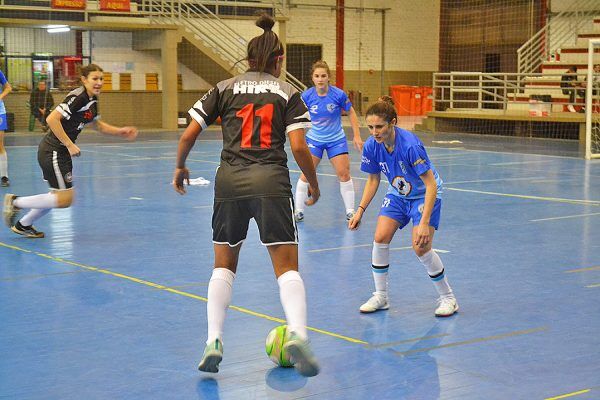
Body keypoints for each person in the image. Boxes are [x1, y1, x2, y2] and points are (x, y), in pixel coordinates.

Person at [173, 14, 321, 377]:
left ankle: (213, 341)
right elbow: (299, 146)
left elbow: (188, 134)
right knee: (286, 269)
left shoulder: (223, 87)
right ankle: (299, 335)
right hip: (271, 182)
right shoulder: (289, 93)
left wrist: (180, 166)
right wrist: (312, 180)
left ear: (249, 58)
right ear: (278, 60)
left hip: (230, 184)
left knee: (223, 266)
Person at [348, 96, 458, 317]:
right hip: (398, 194)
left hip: (423, 195)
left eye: (379, 126)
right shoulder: (372, 146)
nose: (374, 131)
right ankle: (381, 296)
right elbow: (373, 180)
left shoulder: (411, 146)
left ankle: (448, 298)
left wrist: (424, 223)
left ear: (393, 123)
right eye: (370, 127)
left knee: (420, 247)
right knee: (380, 237)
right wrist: (360, 210)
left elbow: (431, 185)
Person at [3, 64, 137, 238]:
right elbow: (52, 119)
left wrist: (120, 131)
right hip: (53, 150)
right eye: (95, 79)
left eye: (101, 79)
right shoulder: (79, 97)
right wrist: (69, 144)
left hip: (59, 152)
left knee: (57, 196)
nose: (99, 83)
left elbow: (96, 124)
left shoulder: (92, 100)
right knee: (64, 200)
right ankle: (16, 202)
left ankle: (24, 225)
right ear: (84, 80)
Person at [293, 60, 363, 222]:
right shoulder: (306, 96)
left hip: (336, 140)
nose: (320, 79)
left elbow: (351, 113)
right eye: (317, 76)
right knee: (306, 174)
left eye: (323, 76)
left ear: (328, 77)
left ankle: (350, 211)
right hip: (314, 140)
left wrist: (357, 135)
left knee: (344, 174)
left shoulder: (338, 95)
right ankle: (298, 211)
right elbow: (298, 117)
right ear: (312, 78)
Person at [0, 69, 12, 187]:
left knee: (0, 145)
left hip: (0, 112)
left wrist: (0, 96)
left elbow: (8, 87)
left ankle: (4, 176)